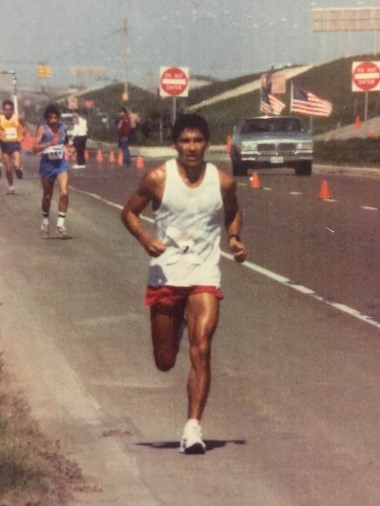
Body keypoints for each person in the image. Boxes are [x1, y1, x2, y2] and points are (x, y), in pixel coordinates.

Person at [121, 113, 246, 454]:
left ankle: (192, 428)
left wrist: (233, 237)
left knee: (202, 346)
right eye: (185, 141)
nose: (192, 147)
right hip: (166, 274)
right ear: (175, 144)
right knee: (165, 361)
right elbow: (129, 212)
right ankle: (175, 327)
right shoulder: (158, 178)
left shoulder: (222, 181)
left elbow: (233, 211)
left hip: (204, 273)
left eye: (198, 141)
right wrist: (146, 239)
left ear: (207, 143)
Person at [33, 104, 70, 237]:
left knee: (64, 193)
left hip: (61, 164)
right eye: (50, 117)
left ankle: (60, 224)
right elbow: (34, 148)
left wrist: (68, 148)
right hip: (47, 166)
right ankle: (45, 221)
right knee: (47, 196)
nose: (53, 120)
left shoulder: (63, 127)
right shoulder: (42, 129)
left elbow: (65, 141)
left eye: (55, 117)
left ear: (59, 118)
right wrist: (49, 144)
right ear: (47, 118)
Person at [0, 99, 27, 195]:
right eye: (6, 109)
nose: (8, 111)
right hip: (4, 144)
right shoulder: (0, 119)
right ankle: (11, 187)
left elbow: (24, 126)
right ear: (3, 110)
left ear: (12, 110)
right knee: (8, 168)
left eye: (9, 109)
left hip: (15, 143)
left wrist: (22, 135)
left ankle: (18, 169)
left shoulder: (17, 118)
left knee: (16, 164)